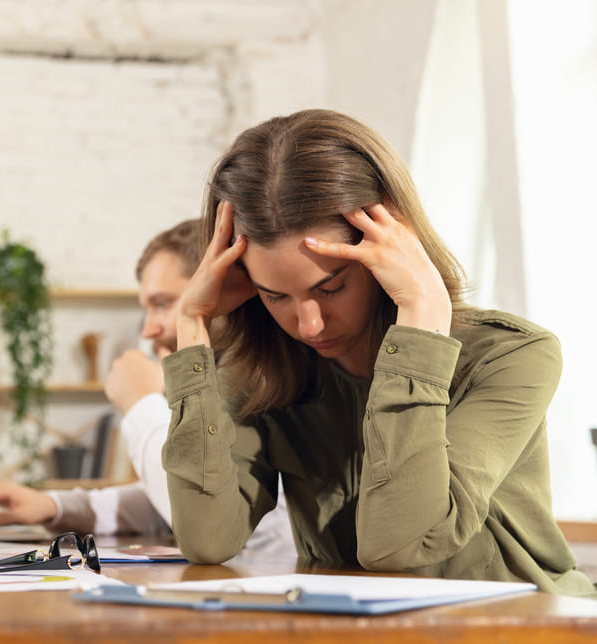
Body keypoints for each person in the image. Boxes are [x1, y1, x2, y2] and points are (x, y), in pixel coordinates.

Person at [164, 108, 594, 595]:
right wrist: (190, 324)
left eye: (332, 287)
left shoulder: (514, 357)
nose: (309, 325)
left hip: (529, 629)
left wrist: (421, 317)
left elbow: (398, 546)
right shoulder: (262, 375)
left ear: (390, 243)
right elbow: (206, 538)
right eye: (275, 296)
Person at [0, 221, 295, 555]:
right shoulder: (220, 375)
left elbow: (209, 519)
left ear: (223, 288)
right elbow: (180, 492)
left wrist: (142, 404)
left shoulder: (265, 383)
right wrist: (55, 506)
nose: (150, 329)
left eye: (163, 304)